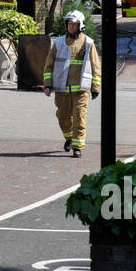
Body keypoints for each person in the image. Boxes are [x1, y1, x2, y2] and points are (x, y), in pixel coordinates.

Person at [42, 9, 101, 159]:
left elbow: (95, 66)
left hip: (81, 89)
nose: (71, 27)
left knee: (80, 116)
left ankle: (77, 147)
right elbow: (49, 65)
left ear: (81, 25)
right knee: (62, 116)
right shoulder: (59, 42)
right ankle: (69, 137)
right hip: (62, 88)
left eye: (74, 24)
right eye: (69, 24)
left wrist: (95, 88)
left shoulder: (88, 43)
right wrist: (48, 85)